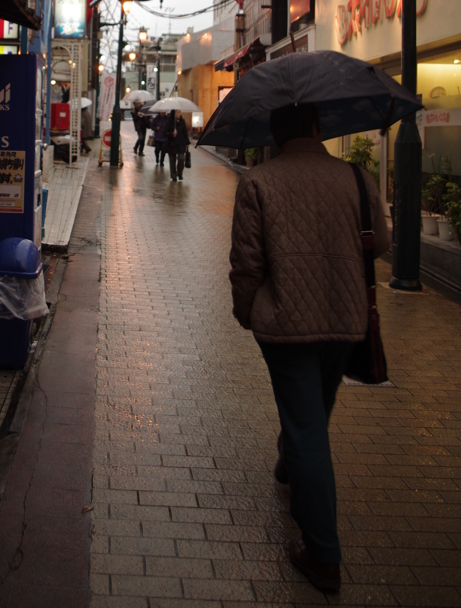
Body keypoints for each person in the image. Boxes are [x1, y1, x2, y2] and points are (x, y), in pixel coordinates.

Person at [228, 103, 389, 594]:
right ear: (319, 129)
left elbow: (247, 262)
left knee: (307, 426)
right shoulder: (357, 178)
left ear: (276, 135)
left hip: (285, 322)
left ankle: (323, 555)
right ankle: (289, 458)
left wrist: (245, 310)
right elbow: (379, 242)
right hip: (345, 319)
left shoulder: (258, 181)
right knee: (313, 409)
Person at [164, 109, 189, 181]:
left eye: (180, 112)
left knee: (181, 158)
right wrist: (172, 133)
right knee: (172, 161)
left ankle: (179, 173)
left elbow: (185, 132)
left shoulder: (182, 121)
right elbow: (165, 133)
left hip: (181, 144)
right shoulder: (169, 122)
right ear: (174, 114)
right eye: (177, 112)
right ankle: (173, 175)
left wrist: (187, 142)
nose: (179, 114)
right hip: (171, 144)